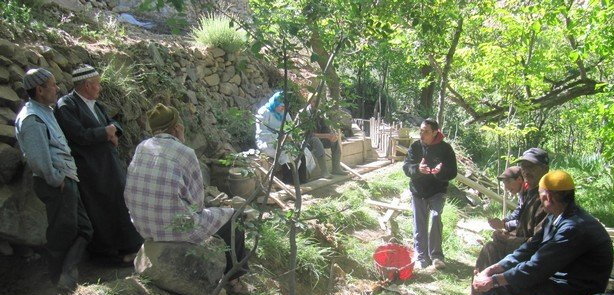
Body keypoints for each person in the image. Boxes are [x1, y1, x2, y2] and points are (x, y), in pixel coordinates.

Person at [124, 103, 249, 293]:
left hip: (143, 225)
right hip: (175, 228)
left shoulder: (142, 147)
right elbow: (196, 205)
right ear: (177, 128)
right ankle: (235, 279)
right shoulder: (185, 153)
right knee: (234, 217)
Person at [473, 170, 613, 295]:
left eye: (540, 194)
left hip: (577, 288)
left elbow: (538, 267)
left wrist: (494, 281)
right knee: (500, 280)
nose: (539, 199)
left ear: (548, 197)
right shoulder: (555, 217)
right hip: (557, 282)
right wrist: (492, 270)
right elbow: (528, 249)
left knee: (500, 288)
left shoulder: (573, 228)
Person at [15, 68, 93, 292]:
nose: (57, 88)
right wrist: (55, 178)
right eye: (52, 84)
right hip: (57, 182)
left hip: (65, 178)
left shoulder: (44, 111)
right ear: (40, 90)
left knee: (84, 228)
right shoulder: (31, 118)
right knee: (63, 232)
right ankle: (59, 280)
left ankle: (66, 274)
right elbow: (38, 158)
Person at [54, 64, 142, 262]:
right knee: (100, 208)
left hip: (108, 163)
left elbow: (114, 123)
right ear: (86, 85)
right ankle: (107, 254)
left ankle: (130, 246)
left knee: (120, 202)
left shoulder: (96, 104)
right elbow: (77, 135)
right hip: (90, 168)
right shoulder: (67, 105)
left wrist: (114, 131)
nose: (100, 88)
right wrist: (105, 132)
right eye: (97, 85)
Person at [472, 148, 550, 293]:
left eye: (531, 167)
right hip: (522, 251)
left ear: (544, 169)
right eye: (524, 167)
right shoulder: (530, 194)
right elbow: (521, 221)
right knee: (490, 248)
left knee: (492, 251)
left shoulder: (547, 198)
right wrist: (506, 230)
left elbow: (539, 244)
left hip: (534, 262)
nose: (526, 171)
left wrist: (507, 239)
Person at [402, 118, 457, 270]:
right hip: (418, 191)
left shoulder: (446, 149)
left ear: (435, 132)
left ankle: (437, 256)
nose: (422, 134)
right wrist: (417, 170)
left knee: (435, 218)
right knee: (419, 225)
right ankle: (421, 257)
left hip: (437, 191)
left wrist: (441, 172)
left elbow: (453, 172)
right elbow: (406, 167)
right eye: (421, 130)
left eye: (426, 131)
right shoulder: (415, 146)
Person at [255, 91, 312, 183]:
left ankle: (302, 180)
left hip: (285, 141)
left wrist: (288, 136)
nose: (283, 108)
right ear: (276, 103)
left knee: (302, 152)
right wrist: (278, 137)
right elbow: (262, 132)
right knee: (286, 154)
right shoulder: (264, 112)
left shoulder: (284, 113)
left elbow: (290, 127)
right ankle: (288, 181)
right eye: (282, 106)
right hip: (267, 142)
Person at [304, 98, 348, 179]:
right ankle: (324, 171)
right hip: (307, 141)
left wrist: (331, 135)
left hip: (319, 138)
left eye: (318, 101)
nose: (317, 103)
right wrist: (327, 136)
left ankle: (336, 168)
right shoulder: (304, 113)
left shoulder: (319, 113)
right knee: (316, 141)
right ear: (310, 101)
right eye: (314, 101)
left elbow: (325, 128)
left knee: (334, 141)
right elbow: (309, 134)